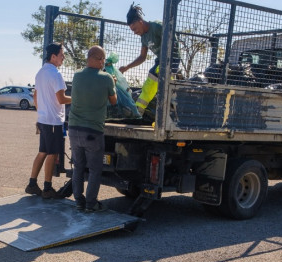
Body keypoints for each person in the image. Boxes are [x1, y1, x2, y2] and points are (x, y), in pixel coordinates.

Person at [69, 46, 117, 213]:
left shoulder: (76, 76)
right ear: (98, 59)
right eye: (103, 59)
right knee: (95, 169)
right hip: (93, 131)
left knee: (78, 166)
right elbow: (114, 101)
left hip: (74, 129)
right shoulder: (107, 78)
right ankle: (91, 203)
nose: (104, 63)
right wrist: (113, 84)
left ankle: (78, 201)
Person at [27, 42, 71, 199]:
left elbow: (35, 95)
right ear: (53, 57)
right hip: (54, 121)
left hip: (44, 119)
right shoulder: (56, 74)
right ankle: (47, 188)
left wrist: (41, 113)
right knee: (52, 154)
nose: (63, 57)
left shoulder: (40, 73)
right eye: (61, 55)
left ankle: (32, 184)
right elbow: (61, 98)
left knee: (42, 152)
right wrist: (78, 99)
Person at [119, 3, 180, 113]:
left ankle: (140, 110)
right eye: (132, 30)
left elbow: (173, 41)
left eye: (135, 28)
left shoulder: (157, 27)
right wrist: (127, 67)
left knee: (154, 78)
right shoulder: (143, 38)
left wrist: (167, 60)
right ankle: (140, 111)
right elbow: (142, 57)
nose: (134, 32)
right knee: (155, 80)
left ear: (140, 21)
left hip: (172, 60)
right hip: (160, 62)